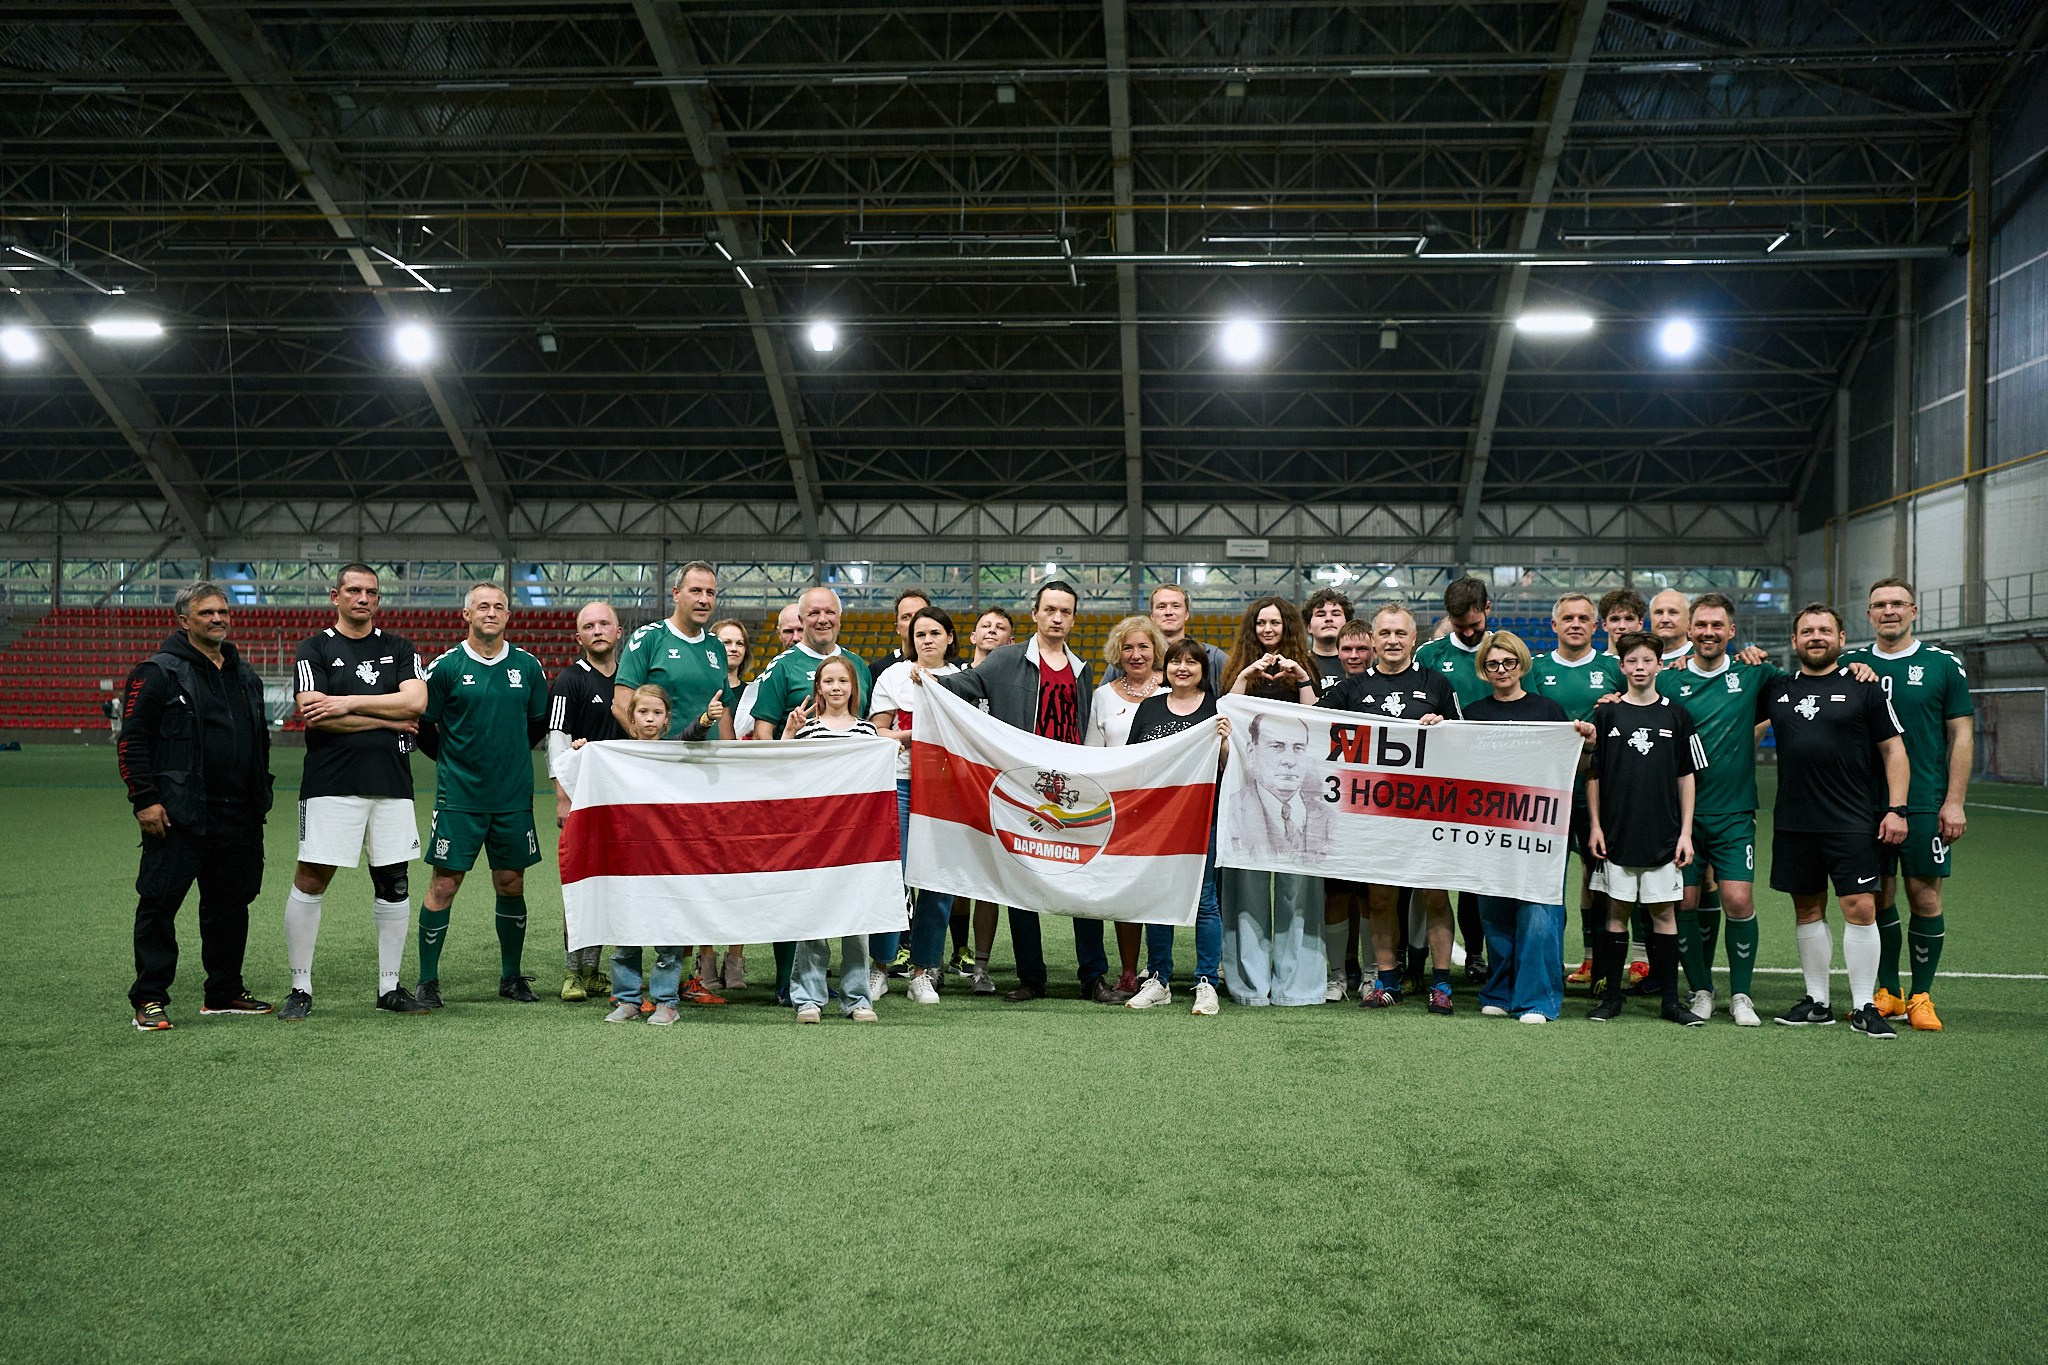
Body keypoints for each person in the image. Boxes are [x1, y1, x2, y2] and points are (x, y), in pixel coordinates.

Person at [932, 579, 1128, 1003]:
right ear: (1036, 614)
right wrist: (928, 680)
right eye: (1050, 610)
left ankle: (1093, 975)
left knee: (1083, 879)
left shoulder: (1081, 669)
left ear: (1074, 619)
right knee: (1022, 884)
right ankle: (1030, 977)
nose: (1057, 618)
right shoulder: (1005, 660)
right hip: (1022, 789)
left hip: (1070, 789)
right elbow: (966, 687)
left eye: (1065, 612)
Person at [117, 580, 275, 1030]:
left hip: (238, 815)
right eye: (207, 613)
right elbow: (132, 742)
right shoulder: (157, 672)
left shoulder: (245, 676)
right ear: (183, 620)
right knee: (159, 905)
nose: (218, 619)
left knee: (230, 905)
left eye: (223, 612)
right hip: (178, 815)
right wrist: (145, 800)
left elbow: (258, 743)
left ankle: (223, 991)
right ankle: (149, 998)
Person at [279, 562, 431, 1021]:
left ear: (378, 599)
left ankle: (390, 987)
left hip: (391, 783)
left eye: (371, 592)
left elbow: (417, 702)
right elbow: (315, 713)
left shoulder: (400, 647)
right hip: (331, 782)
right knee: (312, 877)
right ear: (336, 596)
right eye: (353, 590)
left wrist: (346, 701)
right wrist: (387, 719)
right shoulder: (314, 649)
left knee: (394, 882)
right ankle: (300, 986)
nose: (363, 598)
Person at [1758, 604, 1910, 1038]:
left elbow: (1894, 751)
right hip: (1794, 820)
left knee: (1860, 907)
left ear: (1842, 640)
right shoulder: (1777, 688)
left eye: (1825, 630)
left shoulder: (1865, 686)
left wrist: (1897, 808)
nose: (1816, 637)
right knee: (1807, 909)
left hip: (1852, 818)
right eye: (1807, 631)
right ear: (1794, 641)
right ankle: (1817, 1002)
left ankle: (1864, 1005)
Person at [1841, 578, 1972, 1032]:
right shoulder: (1850, 664)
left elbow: (1961, 735)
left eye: (1897, 603)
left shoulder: (1942, 666)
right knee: (1876, 896)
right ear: (1869, 615)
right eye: (1879, 605)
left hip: (1923, 802)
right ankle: (1889, 992)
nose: (1888, 611)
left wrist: (1954, 802)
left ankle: (1921, 995)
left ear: (1914, 611)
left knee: (1925, 894)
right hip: (1863, 804)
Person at [1317, 603, 1461, 1012]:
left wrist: (1445, 730)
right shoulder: (1353, 689)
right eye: (1385, 634)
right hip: (1375, 814)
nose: (1393, 641)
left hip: (1428, 810)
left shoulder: (1437, 684)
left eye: (1401, 633)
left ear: (1414, 639)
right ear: (1373, 640)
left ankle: (1442, 985)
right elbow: (1306, 725)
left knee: (1434, 895)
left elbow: (1466, 746)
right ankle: (1387, 981)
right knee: (1380, 898)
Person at [413, 582, 550, 1008]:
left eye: (499, 607)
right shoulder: (446, 667)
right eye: (483, 606)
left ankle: (511, 977)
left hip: (512, 799)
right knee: (444, 884)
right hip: (460, 799)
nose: (491, 612)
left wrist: (505, 762)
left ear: (509, 616)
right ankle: (427, 980)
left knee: (511, 883)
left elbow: (535, 727)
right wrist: (458, 764)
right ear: (466, 615)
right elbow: (424, 728)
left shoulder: (528, 667)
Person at [1653, 592, 1786, 1025]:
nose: (1709, 632)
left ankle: (1742, 994)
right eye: (1702, 625)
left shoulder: (1754, 673)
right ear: (1689, 631)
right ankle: (1700, 989)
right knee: (1685, 902)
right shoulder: (1668, 680)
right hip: (1680, 817)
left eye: (1718, 626)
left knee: (1737, 899)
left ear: (1731, 631)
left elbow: (1810, 684)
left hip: (1733, 813)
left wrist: (1858, 666)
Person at [752, 585, 881, 997]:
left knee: (847, 892)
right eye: (813, 614)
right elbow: (762, 732)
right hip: (802, 805)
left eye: (829, 612)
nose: (822, 619)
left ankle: (849, 987)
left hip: (850, 811)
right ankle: (790, 984)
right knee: (799, 891)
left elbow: (870, 733)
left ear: (840, 618)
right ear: (801, 620)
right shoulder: (781, 667)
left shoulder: (857, 664)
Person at [615, 562, 735, 1006]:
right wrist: (651, 754)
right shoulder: (649, 639)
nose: (704, 600)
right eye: (696, 591)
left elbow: (720, 714)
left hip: (701, 783)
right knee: (645, 872)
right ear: (676, 593)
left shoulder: (715, 650)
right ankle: (630, 987)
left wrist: (731, 770)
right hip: (655, 781)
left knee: (690, 877)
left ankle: (681, 980)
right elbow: (623, 699)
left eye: (711, 593)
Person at [1463, 629, 1593, 1022]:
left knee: (1539, 912)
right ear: (1483, 671)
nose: (1501, 670)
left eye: (1508, 662)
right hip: (1490, 827)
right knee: (1495, 911)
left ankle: (1538, 999)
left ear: (1521, 664)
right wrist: (1436, 728)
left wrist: (1585, 744)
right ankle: (1500, 992)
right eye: (1492, 664)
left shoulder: (1549, 712)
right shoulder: (1472, 715)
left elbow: (1574, 769)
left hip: (1541, 828)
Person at [1585, 632, 1705, 1025]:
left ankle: (1670, 1001)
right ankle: (1612, 997)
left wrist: (1685, 833)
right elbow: (1594, 776)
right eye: (1631, 661)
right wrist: (1596, 827)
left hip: (1664, 835)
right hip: (1618, 834)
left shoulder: (1676, 714)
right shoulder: (1607, 714)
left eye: (1646, 661)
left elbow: (1686, 777)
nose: (1639, 668)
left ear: (1659, 665)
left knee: (1664, 915)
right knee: (1616, 914)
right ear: (1622, 667)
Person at [1219, 596, 1325, 1006]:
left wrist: (1300, 678)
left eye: (1275, 623)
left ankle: (1296, 985)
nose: (1268, 629)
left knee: (1298, 890)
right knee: (1247, 888)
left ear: (1288, 628)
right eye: (1261, 623)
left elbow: (1316, 726)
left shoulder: (1307, 670)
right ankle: (1249, 983)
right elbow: (1228, 714)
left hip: (1300, 796)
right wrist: (1245, 674)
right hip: (1245, 793)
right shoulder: (1236, 671)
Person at [1122, 638, 1232, 1015]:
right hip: (1157, 819)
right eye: (1175, 661)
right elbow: (1132, 759)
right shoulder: (1150, 707)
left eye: (1191, 662)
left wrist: (1222, 744)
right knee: (1158, 896)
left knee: (1204, 899)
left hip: (1203, 816)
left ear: (1204, 669)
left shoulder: (1216, 709)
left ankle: (1205, 981)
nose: (1182, 668)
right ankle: (1158, 978)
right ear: (1165, 668)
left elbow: (1227, 765)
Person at [870, 604, 962, 1005]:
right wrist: (916, 732)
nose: (927, 640)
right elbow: (879, 735)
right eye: (920, 634)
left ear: (950, 638)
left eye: (935, 633)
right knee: (894, 876)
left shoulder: (964, 679)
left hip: (944, 790)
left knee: (937, 883)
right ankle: (880, 966)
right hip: (902, 784)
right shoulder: (893, 676)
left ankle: (923, 972)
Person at [785, 657, 883, 1023]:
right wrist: (789, 735)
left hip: (857, 841)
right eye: (829, 681)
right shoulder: (808, 731)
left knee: (856, 920)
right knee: (813, 917)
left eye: (843, 680)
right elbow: (788, 774)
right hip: (816, 837)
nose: (837, 687)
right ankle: (808, 998)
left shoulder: (867, 732)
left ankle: (857, 998)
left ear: (853, 687)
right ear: (819, 688)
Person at [1529, 592, 1614, 991]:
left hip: (1601, 795)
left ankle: (1599, 967)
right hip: (1548, 796)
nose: (1575, 623)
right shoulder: (1536, 668)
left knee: (1602, 884)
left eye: (1583, 618)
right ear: (1554, 626)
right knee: (1547, 884)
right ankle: (1548, 967)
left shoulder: (1614, 669)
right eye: (1568, 618)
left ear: (1595, 627)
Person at [1416, 575, 1496, 981]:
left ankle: (1479, 954)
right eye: (1458, 624)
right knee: (1430, 872)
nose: (1467, 632)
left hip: (1489, 779)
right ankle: (1415, 963)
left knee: (1476, 876)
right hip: (1439, 780)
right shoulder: (1430, 655)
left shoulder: (1505, 652)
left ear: (1487, 608)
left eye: (1474, 623)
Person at [545, 601, 625, 1002]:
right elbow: (556, 742)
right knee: (582, 882)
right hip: (584, 802)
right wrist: (562, 797)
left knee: (617, 884)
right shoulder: (570, 681)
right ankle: (574, 971)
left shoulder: (630, 681)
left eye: (604, 623)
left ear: (618, 631)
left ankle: (595, 970)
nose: (597, 630)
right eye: (588, 626)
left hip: (625, 802)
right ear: (579, 637)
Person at [599, 686, 691, 1027]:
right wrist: (583, 752)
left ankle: (666, 1001)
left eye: (656, 713)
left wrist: (704, 719)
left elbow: (693, 735)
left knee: (667, 931)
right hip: (626, 858)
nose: (649, 719)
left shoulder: (675, 753)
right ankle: (627, 999)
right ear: (631, 716)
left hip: (666, 857)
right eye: (642, 713)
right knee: (626, 930)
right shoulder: (614, 754)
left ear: (666, 720)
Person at [1087, 615, 1169, 995]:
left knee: (1158, 890)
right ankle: (1128, 971)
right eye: (1128, 647)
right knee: (1124, 890)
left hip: (1163, 808)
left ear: (1156, 651)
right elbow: (1092, 754)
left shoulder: (1172, 692)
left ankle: (1160, 971)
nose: (1136, 655)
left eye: (1143, 647)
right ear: (1117, 653)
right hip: (1117, 809)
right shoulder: (1102, 697)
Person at [959, 604, 1015, 988]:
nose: (992, 631)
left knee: (990, 881)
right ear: (972, 637)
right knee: (953, 877)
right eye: (985, 626)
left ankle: (981, 964)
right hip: (957, 786)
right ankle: (949, 953)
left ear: (1011, 643)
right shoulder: (953, 678)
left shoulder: (1013, 681)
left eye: (1001, 628)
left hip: (999, 788)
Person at [699, 615, 755, 989]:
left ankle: (735, 958)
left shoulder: (755, 689)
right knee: (703, 873)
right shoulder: (702, 684)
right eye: (724, 641)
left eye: (738, 642)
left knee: (739, 874)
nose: (731, 648)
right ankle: (704, 959)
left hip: (740, 788)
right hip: (702, 785)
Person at [1145, 583, 1231, 694]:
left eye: (1176, 606)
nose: (1168, 612)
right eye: (1161, 607)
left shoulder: (1213, 658)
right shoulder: (1136, 659)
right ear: (1152, 616)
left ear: (1186, 614)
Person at [733, 603, 799, 739]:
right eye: (788, 631)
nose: (796, 637)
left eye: (801, 630)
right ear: (778, 634)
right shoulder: (765, 680)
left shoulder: (832, 667)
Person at [868, 588, 931, 688]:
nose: (914, 622)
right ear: (897, 628)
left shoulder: (956, 667)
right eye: (906, 617)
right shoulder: (877, 670)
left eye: (920, 615)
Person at [1302, 587, 1353, 694]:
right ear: (1309, 627)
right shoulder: (1299, 664)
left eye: (1336, 614)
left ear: (1347, 624)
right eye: (1321, 614)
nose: (1329, 619)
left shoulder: (1360, 663)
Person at [1649, 588, 1694, 664]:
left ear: (1688, 619)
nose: (1665, 620)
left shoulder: (1699, 658)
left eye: (1673, 613)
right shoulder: (1636, 659)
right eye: (1659, 613)